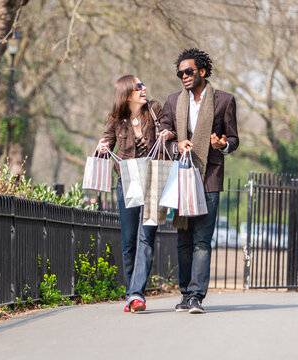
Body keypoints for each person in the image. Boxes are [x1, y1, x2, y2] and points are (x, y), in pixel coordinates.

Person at [159, 48, 239, 314]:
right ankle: (184, 293)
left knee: (202, 240)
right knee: (183, 239)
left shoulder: (224, 101)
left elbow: (234, 139)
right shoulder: (172, 102)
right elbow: (164, 136)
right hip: (183, 176)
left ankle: (196, 296)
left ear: (202, 72)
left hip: (209, 177)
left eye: (188, 71)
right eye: (180, 73)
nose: (184, 76)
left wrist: (223, 143)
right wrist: (176, 145)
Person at [98, 74, 165, 313]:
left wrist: (169, 135)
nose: (144, 88)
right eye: (138, 86)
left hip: (152, 181)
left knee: (146, 237)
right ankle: (130, 294)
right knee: (128, 242)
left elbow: (170, 129)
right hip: (127, 182)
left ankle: (137, 295)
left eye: (143, 84)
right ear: (127, 93)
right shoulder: (116, 119)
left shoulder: (155, 110)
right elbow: (106, 142)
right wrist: (102, 146)